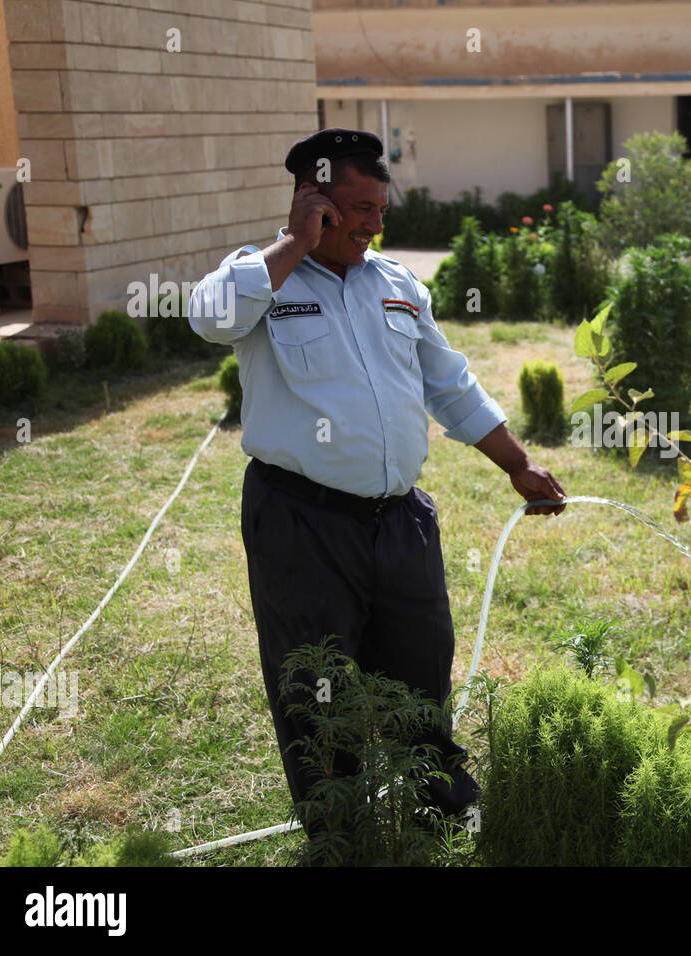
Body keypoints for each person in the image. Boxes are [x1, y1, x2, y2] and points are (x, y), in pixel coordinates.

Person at [187, 127, 566, 840]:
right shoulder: (261, 274)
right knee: (316, 689)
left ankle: (440, 806)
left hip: (400, 523)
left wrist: (516, 463)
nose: (373, 224)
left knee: (422, 667)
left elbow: (449, 384)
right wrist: (294, 246)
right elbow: (209, 319)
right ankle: (341, 829)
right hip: (302, 523)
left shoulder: (396, 285)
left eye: (380, 208)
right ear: (312, 200)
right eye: (357, 208)